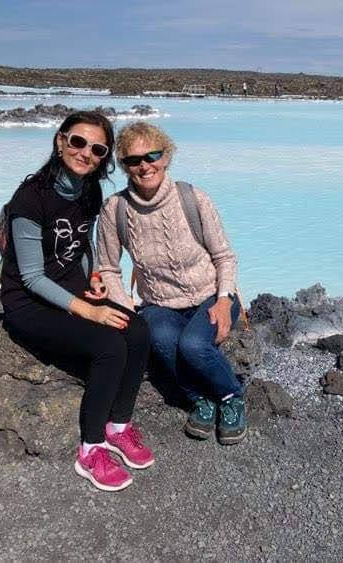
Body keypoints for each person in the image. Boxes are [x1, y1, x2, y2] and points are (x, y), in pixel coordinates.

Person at [0, 111, 153, 492]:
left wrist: (94, 278)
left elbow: (82, 243)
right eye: (78, 142)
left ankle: (118, 425)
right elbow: (32, 277)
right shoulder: (30, 198)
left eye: (98, 149)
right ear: (60, 141)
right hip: (28, 302)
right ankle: (91, 449)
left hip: (72, 288)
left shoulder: (89, 191)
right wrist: (89, 311)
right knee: (108, 345)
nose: (86, 153)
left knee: (138, 330)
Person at [96, 121, 246, 445]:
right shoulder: (115, 210)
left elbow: (224, 257)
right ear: (124, 165)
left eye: (152, 155)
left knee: (193, 345)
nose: (145, 166)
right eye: (133, 160)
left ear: (166, 157)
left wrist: (224, 300)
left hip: (210, 294)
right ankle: (200, 399)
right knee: (162, 339)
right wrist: (126, 309)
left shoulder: (193, 198)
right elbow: (107, 268)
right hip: (159, 304)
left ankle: (231, 396)